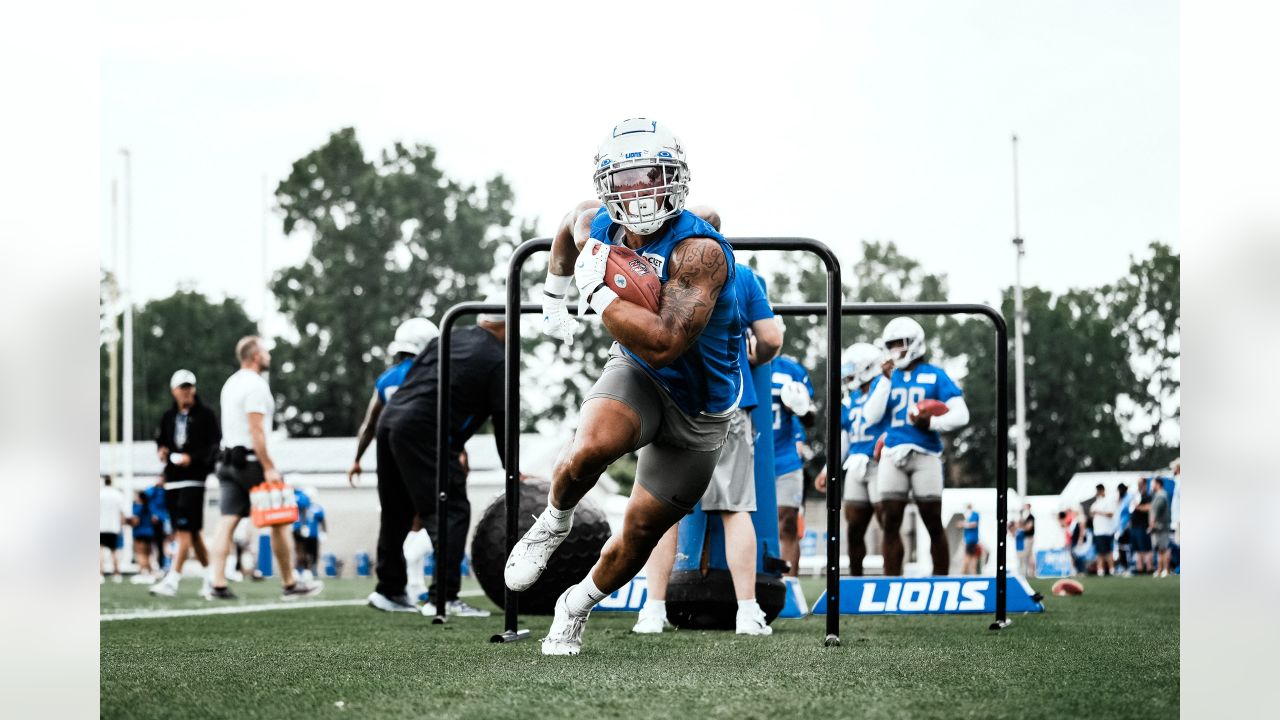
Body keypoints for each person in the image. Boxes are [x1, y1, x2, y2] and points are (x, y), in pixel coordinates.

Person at [504, 118, 745, 656]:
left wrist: (599, 293)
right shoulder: (598, 223)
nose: (641, 191)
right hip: (638, 372)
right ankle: (553, 522)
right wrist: (555, 293)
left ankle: (576, 604)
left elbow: (666, 342)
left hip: (700, 409)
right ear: (607, 184)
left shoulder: (700, 252)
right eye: (627, 178)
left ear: (676, 179)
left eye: (652, 175)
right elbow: (571, 223)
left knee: (638, 532)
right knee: (588, 449)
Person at [635, 262, 782, 636]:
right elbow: (772, 339)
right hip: (725, 400)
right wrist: (756, 358)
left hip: (670, 396)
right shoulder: (742, 274)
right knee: (734, 509)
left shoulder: (655, 265)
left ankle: (653, 611)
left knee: (660, 510)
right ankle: (747, 613)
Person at [368, 303, 504, 618]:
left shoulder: (449, 335)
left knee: (396, 511)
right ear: (505, 326)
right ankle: (443, 597)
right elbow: (502, 419)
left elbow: (414, 381)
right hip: (423, 428)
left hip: (390, 422)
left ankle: (388, 591)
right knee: (451, 508)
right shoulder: (497, 358)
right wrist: (511, 469)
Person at [207, 336, 322, 601]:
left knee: (226, 522)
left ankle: (218, 583)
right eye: (266, 352)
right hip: (250, 461)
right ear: (256, 356)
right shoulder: (256, 386)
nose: (269, 356)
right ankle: (290, 583)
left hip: (226, 461)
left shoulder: (231, 383)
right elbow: (256, 430)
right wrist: (269, 467)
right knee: (280, 521)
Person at [866, 317, 970, 576]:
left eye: (899, 344)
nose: (895, 351)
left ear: (914, 343)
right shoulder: (887, 378)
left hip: (926, 453)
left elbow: (961, 414)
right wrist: (886, 381)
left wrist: (932, 422)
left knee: (933, 521)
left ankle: (941, 582)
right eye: (891, 345)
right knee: (890, 522)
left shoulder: (934, 374)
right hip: (893, 452)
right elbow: (871, 417)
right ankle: (891, 582)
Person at [814, 342, 890, 576]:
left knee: (888, 523)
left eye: (852, 369)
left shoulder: (885, 386)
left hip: (880, 463)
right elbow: (843, 439)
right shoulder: (850, 400)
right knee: (854, 528)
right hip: (856, 463)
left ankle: (891, 579)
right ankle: (856, 580)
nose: (848, 375)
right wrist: (828, 468)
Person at [149, 369, 221, 598]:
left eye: (190, 387)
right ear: (174, 391)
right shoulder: (168, 417)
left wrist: (194, 458)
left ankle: (172, 578)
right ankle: (211, 577)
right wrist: (162, 451)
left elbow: (213, 446)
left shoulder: (206, 415)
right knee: (193, 531)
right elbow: (161, 440)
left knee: (184, 528)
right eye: (183, 387)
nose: (187, 391)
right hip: (173, 479)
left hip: (194, 478)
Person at [347, 317, 440, 486]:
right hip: (428, 457)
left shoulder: (386, 380)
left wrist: (357, 460)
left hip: (392, 459)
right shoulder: (435, 376)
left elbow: (370, 425)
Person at [770, 354, 815, 577]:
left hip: (785, 459)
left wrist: (800, 406)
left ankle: (787, 587)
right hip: (747, 458)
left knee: (787, 522)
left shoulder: (790, 369)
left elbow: (810, 417)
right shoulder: (737, 361)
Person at [99, 475, 129, 583]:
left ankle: (100, 574)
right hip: (114, 527)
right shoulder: (117, 495)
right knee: (114, 551)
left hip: (101, 526)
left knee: (100, 551)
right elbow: (124, 512)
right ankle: (116, 574)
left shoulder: (100, 494)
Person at [129, 489, 159, 584]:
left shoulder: (137, 507)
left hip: (139, 533)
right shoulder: (149, 507)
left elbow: (135, 521)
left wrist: (127, 521)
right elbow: (155, 520)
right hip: (149, 533)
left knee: (140, 554)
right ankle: (150, 574)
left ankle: (142, 574)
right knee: (148, 554)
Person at [1089, 484, 1117, 576]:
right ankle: (1100, 570)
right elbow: (1091, 514)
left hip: (1107, 531)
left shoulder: (1109, 501)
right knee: (1099, 552)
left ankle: (1112, 569)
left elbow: (1111, 514)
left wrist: (1098, 512)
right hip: (1098, 531)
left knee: (1108, 552)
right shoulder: (1095, 503)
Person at [1150, 476, 1173, 577]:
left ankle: (1166, 570)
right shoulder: (1157, 495)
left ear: (1158, 484)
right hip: (1159, 526)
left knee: (1164, 548)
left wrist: (1152, 523)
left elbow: (1157, 511)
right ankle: (1160, 569)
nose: (1151, 485)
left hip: (1161, 526)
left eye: (1153, 483)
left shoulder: (1161, 495)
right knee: (1160, 549)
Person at [1130, 477, 1154, 574]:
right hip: (1135, 526)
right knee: (1137, 549)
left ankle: (1149, 568)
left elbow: (1149, 508)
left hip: (1143, 526)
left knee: (1146, 548)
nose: (1138, 485)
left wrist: (1138, 507)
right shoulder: (1136, 495)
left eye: (1140, 483)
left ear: (1144, 484)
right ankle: (1139, 568)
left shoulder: (1148, 496)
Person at [1114, 483, 1133, 575]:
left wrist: (1126, 526)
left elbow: (1128, 513)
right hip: (1120, 528)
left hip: (1126, 527)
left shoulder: (1129, 497)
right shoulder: (1121, 499)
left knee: (1126, 548)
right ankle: (1123, 566)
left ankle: (1128, 567)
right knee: (1121, 548)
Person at [960, 503, 981, 574]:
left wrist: (963, 524)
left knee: (968, 559)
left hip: (971, 540)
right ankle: (971, 573)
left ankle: (966, 573)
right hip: (969, 540)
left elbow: (974, 524)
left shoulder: (974, 515)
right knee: (972, 558)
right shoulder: (968, 516)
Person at [1018, 503, 1037, 577]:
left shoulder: (1030, 517)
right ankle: (1029, 572)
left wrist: (1022, 528)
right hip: (1027, 538)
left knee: (1028, 555)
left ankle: (1030, 572)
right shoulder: (1026, 517)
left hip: (1029, 538)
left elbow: (1028, 527)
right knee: (1028, 555)